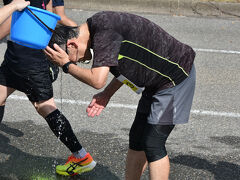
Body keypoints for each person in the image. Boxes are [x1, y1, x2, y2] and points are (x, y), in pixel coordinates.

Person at [45, 11, 196, 180]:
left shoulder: (104, 33)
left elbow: (97, 80)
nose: (78, 62)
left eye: (75, 60)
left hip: (175, 77)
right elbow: (124, 64)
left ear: (72, 44)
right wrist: (107, 94)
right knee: (137, 139)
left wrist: (66, 65)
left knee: (153, 144)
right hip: (155, 82)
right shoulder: (98, 28)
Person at [0, 0, 96, 176]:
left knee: (45, 107)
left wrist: (12, 8)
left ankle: (81, 156)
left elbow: (11, 19)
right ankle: (81, 156)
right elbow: (51, 13)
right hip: (18, 55)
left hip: (28, 59)